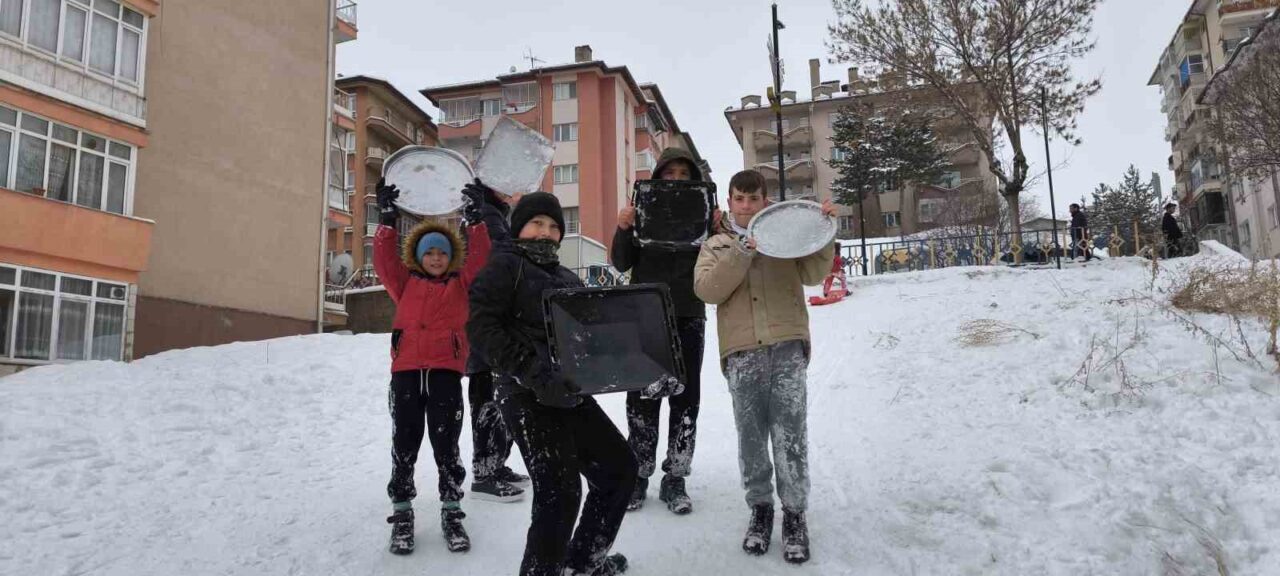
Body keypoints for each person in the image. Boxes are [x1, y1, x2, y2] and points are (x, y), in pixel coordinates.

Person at [468, 192, 647, 576]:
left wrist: (638, 364)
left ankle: (581, 564)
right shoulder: (505, 265)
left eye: (553, 226)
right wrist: (532, 373)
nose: (546, 232)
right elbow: (481, 328)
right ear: (519, 228)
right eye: (537, 223)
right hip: (524, 391)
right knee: (560, 493)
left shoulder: (565, 276)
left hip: (570, 391)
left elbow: (589, 333)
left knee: (619, 471)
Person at [693, 169, 835, 565]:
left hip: (786, 345)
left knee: (790, 434)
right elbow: (707, 290)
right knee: (752, 438)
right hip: (741, 353)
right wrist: (743, 251)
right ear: (729, 202)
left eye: (753, 199)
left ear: (765, 201)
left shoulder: (784, 236)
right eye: (739, 198)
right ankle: (760, 510)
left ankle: (794, 515)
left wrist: (823, 232)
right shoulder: (716, 245)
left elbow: (813, 273)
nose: (746, 206)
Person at [373, 178, 503, 556]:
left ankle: (451, 510)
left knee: (446, 446)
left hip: (446, 374)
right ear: (418, 256)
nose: (435, 258)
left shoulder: (461, 285)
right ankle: (402, 512)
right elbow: (383, 261)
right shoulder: (404, 284)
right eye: (429, 252)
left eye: (442, 253)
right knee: (404, 444)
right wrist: (385, 221)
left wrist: (477, 221)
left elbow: (479, 258)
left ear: (451, 258)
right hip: (407, 375)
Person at [612, 147, 710, 514]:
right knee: (642, 398)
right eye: (669, 174)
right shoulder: (642, 213)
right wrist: (623, 227)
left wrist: (715, 229)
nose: (676, 181)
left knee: (686, 400)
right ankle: (637, 475)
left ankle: (676, 478)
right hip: (645, 314)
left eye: (684, 175)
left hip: (689, 314)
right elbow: (621, 262)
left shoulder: (702, 215)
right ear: (657, 179)